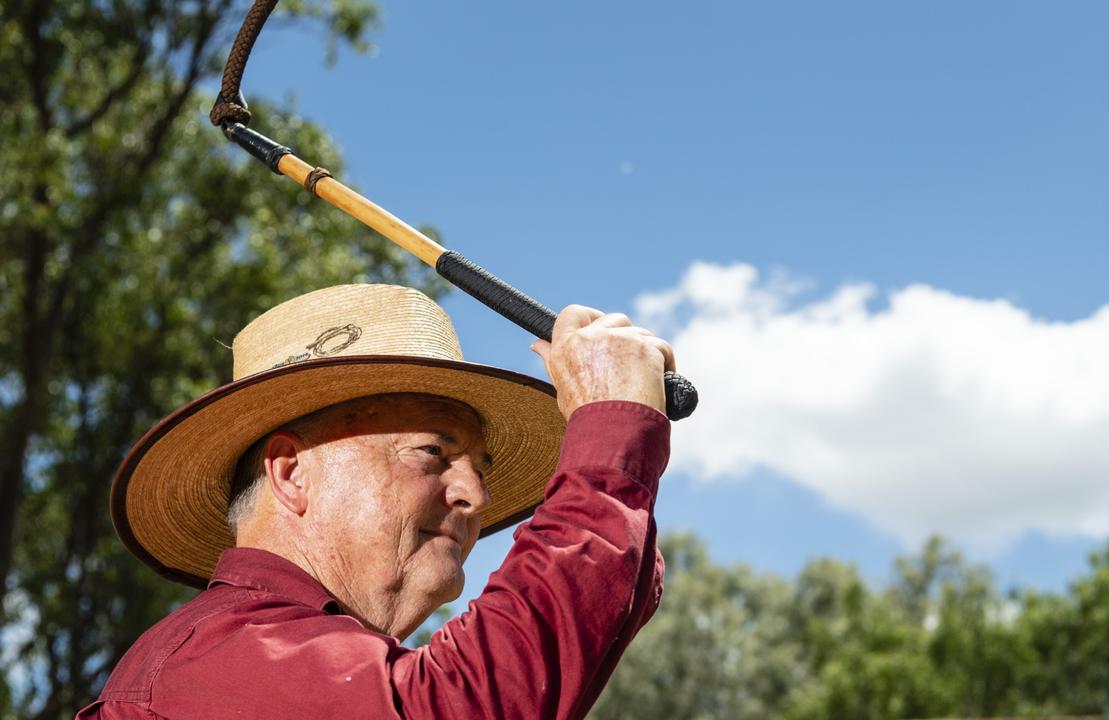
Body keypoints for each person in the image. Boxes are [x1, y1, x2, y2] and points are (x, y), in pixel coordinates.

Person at [77, 283, 677, 719]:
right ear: (290, 473)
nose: (476, 494)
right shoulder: (216, 659)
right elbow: (459, 706)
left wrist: (621, 471)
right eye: (430, 452)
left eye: (479, 466)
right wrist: (611, 429)